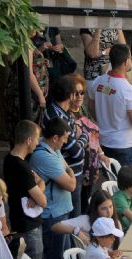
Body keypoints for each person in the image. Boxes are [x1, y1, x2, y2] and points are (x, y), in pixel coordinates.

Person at [28, 117, 76, 259]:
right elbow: (71, 185)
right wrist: (69, 173)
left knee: (64, 258)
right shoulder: (44, 156)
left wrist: (68, 172)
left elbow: (67, 170)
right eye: (64, 138)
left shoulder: (54, 150)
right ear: (55, 137)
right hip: (53, 214)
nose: (65, 142)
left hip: (61, 211)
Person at [88, 44, 132, 167]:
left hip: (104, 141)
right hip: (124, 145)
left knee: (111, 181)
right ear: (126, 62)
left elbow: (91, 107)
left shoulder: (98, 82)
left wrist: (103, 119)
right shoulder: (128, 90)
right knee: (127, 184)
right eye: (130, 58)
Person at [43, 76, 89, 216]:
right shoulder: (59, 119)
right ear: (69, 95)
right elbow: (78, 153)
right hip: (70, 173)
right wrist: (84, 137)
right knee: (73, 219)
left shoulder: (60, 112)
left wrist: (78, 138)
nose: (78, 97)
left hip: (71, 171)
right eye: (76, 93)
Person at [3, 119, 47, 259]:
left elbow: (40, 183)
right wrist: (39, 193)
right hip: (30, 227)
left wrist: (37, 191)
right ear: (29, 140)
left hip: (18, 222)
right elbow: (43, 201)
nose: (37, 142)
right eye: (36, 138)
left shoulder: (8, 160)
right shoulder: (23, 168)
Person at [67, 73, 111, 209]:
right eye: (76, 93)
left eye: (82, 93)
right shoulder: (66, 114)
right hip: (78, 165)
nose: (80, 96)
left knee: (87, 200)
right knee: (78, 204)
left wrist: (101, 153)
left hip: (91, 163)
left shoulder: (83, 109)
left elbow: (93, 135)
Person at [51, 189, 121, 246]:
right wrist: (76, 231)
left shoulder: (115, 221)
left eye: (111, 206)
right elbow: (55, 227)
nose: (109, 211)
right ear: (95, 209)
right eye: (104, 208)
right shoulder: (85, 220)